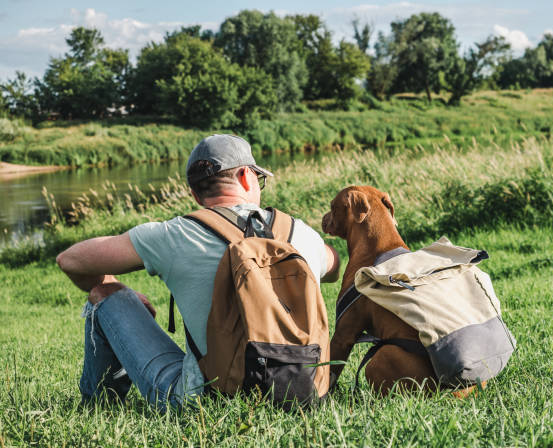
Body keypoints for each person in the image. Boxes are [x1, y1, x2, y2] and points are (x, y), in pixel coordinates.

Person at [56, 134, 340, 410]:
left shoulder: (174, 234)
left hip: (203, 402)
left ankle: (97, 406)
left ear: (194, 193)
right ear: (245, 176)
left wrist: (110, 283)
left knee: (105, 294)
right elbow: (334, 266)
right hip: (303, 392)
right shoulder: (301, 234)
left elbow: (70, 260)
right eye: (259, 178)